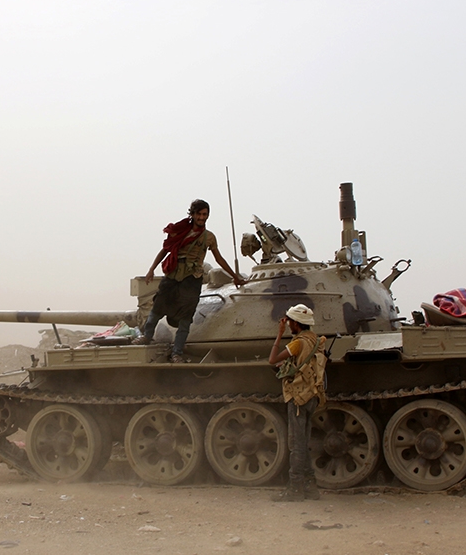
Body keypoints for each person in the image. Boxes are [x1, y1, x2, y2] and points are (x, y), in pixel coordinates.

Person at [133, 199, 244, 362]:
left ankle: (177, 352)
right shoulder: (179, 231)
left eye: (205, 214)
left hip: (192, 280)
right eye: (199, 214)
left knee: (186, 319)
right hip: (173, 275)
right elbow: (165, 250)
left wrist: (235, 276)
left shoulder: (209, 237)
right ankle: (147, 336)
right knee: (157, 308)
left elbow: (219, 259)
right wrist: (151, 269)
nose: (202, 217)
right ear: (192, 214)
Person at [267, 303, 327, 501]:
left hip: (298, 396)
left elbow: (272, 358)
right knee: (304, 441)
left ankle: (295, 489)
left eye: (290, 321)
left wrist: (279, 334)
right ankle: (311, 488)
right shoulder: (315, 339)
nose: (288, 324)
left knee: (296, 443)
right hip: (311, 395)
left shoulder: (298, 342)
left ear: (296, 323)